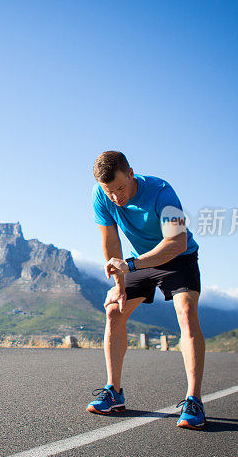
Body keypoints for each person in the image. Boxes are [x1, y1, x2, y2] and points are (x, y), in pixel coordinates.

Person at [85, 150, 206, 429]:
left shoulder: (163, 192)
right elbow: (110, 242)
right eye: (109, 191)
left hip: (178, 258)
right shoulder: (100, 194)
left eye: (120, 188)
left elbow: (176, 241)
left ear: (131, 174)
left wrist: (132, 264)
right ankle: (114, 392)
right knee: (114, 309)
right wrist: (119, 285)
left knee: (186, 313)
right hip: (136, 262)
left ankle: (194, 400)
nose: (116, 197)